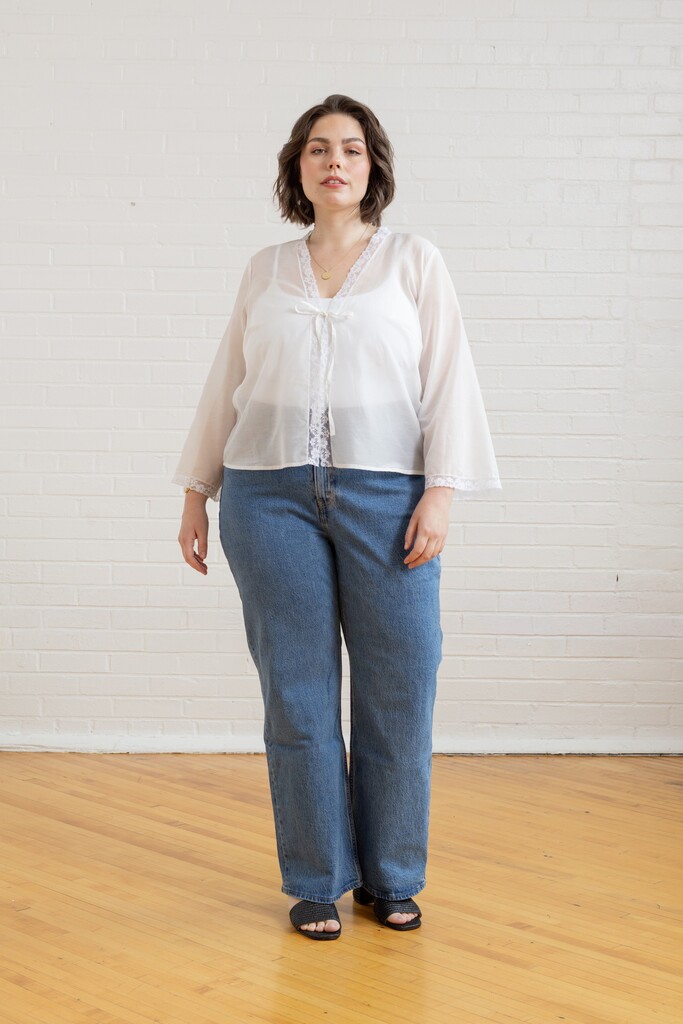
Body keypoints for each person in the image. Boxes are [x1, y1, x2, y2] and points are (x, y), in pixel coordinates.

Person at [174, 93, 501, 941]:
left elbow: (448, 379)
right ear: (298, 169)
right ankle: (316, 877)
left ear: (372, 167)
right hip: (265, 493)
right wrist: (194, 491)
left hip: (387, 494)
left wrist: (441, 490)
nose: (334, 163)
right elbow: (227, 384)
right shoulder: (265, 269)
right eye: (318, 150)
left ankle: (390, 876)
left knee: (399, 686)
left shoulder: (413, 262)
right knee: (298, 693)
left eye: (351, 150)